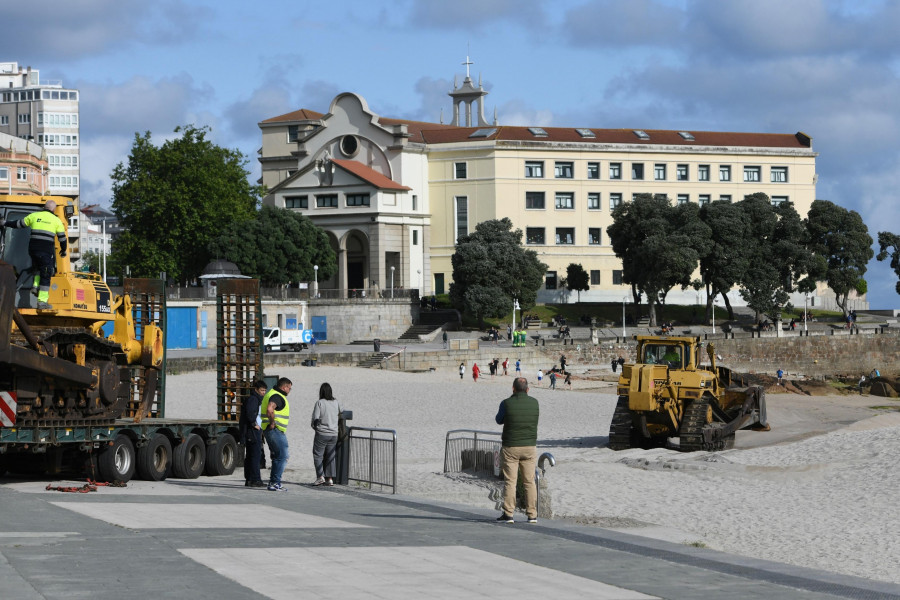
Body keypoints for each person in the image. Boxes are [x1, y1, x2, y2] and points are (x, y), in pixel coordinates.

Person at [1, 199, 68, 310]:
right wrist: (64, 250)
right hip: (45, 252)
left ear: (45, 207)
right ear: (53, 209)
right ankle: (42, 302)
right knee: (46, 274)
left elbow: (18, 224)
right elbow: (62, 239)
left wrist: (5, 223)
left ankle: (35, 287)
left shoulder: (34, 216)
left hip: (33, 250)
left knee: (37, 267)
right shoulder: (56, 220)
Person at [495, 377, 540, 524]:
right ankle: (532, 514)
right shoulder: (535, 403)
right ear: (527, 389)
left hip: (511, 446)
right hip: (529, 446)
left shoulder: (506, 403)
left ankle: (509, 514)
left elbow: (499, 420)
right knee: (529, 482)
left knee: (510, 482)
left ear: (513, 388)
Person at [261, 377, 293, 491]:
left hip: (269, 430)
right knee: (283, 456)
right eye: (289, 388)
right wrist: (272, 423)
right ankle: (275, 482)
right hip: (275, 430)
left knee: (277, 456)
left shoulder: (271, 393)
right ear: (284, 387)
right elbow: (270, 409)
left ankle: (273, 482)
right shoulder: (277, 396)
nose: (290, 390)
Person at [310, 382, 343, 486]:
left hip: (322, 433)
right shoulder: (336, 402)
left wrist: (315, 427)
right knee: (330, 456)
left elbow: (316, 418)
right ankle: (329, 478)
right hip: (334, 433)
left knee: (318, 455)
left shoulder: (320, 402)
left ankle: (320, 476)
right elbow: (342, 413)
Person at [240, 380, 267, 487]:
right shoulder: (253, 399)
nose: (263, 392)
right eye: (262, 390)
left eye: (265, 390)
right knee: (255, 455)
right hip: (252, 431)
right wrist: (253, 424)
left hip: (252, 431)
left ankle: (250, 479)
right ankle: (255, 479)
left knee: (251, 455)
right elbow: (250, 413)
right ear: (256, 390)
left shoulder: (255, 399)